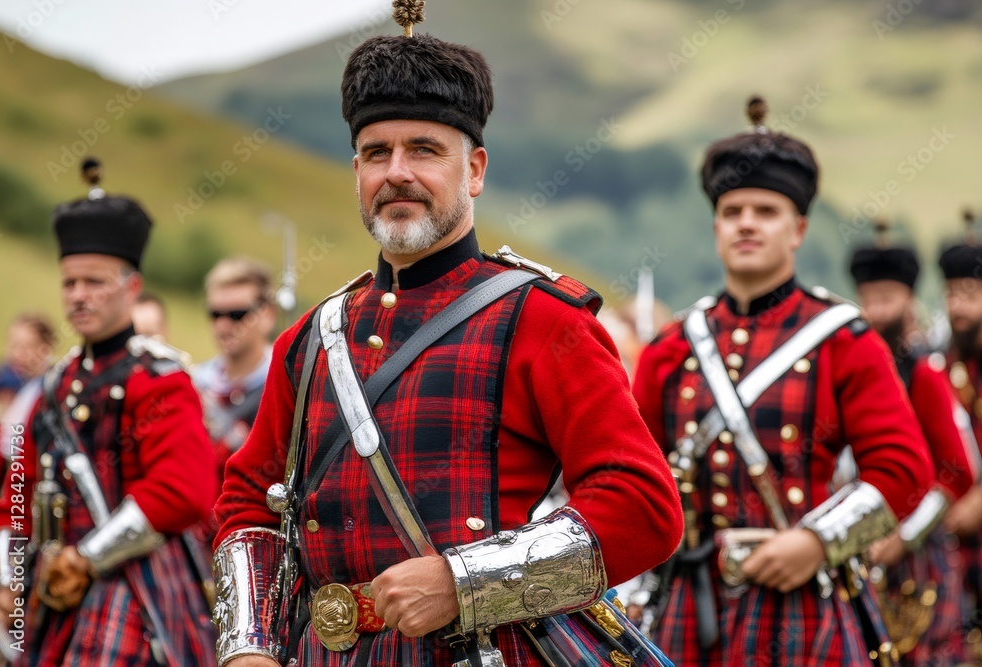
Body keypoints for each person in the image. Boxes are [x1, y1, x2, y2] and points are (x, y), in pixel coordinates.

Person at [211, 3, 682, 666]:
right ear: (357, 172)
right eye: (377, 152)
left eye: (425, 149)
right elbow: (249, 503)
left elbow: (643, 507)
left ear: (476, 170)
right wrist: (249, 646)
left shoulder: (544, 319)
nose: (396, 171)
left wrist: (463, 582)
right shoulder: (310, 338)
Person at [632, 96, 933, 666]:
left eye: (766, 211)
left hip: (803, 599)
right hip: (688, 601)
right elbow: (635, 473)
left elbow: (903, 468)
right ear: (716, 227)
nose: (746, 222)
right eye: (733, 211)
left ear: (798, 229)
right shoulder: (670, 348)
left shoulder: (844, 339)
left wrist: (818, 541)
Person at [0, 179, 218, 665]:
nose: (79, 295)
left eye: (94, 282)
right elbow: (18, 492)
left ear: (131, 287)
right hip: (53, 591)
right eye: (69, 283)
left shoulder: (160, 379)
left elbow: (184, 490)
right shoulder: (54, 386)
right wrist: (9, 580)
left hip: (137, 589)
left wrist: (86, 558)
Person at [849, 230, 978, 665]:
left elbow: (956, 473)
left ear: (908, 300)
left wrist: (904, 537)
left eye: (887, 298)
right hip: (858, 544)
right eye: (869, 298)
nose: (876, 310)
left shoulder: (924, 374)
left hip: (919, 557)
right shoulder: (853, 373)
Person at [938, 224, 982, 664]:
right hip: (956, 543)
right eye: (952, 293)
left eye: (970, 293)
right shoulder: (937, 367)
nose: (958, 305)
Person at [193, 257, 275, 538]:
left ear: (267, 314)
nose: (224, 325)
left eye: (237, 314)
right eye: (215, 314)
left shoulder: (287, 381)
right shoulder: (194, 383)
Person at [0, 314, 56, 486]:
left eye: (26, 347)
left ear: (46, 349)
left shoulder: (51, 388)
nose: (16, 354)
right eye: (13, 345)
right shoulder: (10, 380)